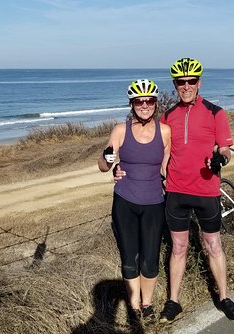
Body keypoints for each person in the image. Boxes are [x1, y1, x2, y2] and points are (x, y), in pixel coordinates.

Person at [116, 58, 234, 323]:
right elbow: (157, 152)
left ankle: (224, 298)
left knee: (213, 245)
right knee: (178, 248)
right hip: (175, 192)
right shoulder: (167, 117)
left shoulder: (215, 112)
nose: (186, 86)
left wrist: (221, 159)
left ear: (200, 82)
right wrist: (123, 170)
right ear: (174, 85)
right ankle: (174, 302)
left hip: (207, 190)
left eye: (191, 81)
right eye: (180, 82)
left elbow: (225, 149)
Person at [98, 79, 171, 324]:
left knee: (150, 259)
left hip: (154, 203)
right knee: (130, 259)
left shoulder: (164, 131)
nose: (144, 105)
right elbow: (103, 164)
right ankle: (134, 306)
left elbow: (165, 167)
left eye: (149, 100)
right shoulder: (120, 130)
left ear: (155, 103)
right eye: (139, 101)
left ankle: (147, 304)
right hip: (125, 202)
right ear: (132, 104)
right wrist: (111, 164)